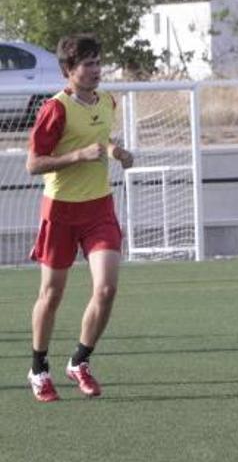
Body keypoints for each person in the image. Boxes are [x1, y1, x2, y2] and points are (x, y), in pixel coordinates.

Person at [25, 34, 134, 402]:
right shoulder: (55, 109)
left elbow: (98, 138)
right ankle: (39, 368)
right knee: (51, 295)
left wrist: (112, 149)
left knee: (106, 289)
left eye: (98, 62)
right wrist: (78, 156)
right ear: (68, 70)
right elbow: (33, 164)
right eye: (87, 64)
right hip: (60, 211)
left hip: (99, 208)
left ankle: (80, 361)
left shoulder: (107, 101)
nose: (95, 70)